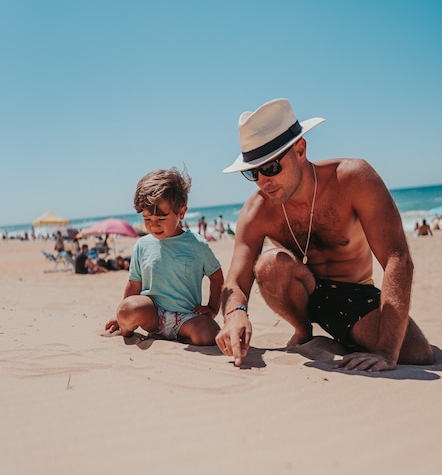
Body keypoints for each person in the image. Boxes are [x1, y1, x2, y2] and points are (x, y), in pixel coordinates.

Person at [215, 97, 433, 371]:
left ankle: (346, 335)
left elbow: (397, 258)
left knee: (416, 353)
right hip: (302, 294)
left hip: (354, 294)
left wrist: (386, 352)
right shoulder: (257, 211)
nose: (262, 181)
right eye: (252, 173)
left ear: (301, 150)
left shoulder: (353, 179)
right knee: (270, 264)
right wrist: (235, 315)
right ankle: (304, 331)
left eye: (270, 167)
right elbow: (235, 280)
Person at [105, 168, 224, 345]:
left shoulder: (197, 245)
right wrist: (122, 318)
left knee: (209, 333)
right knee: (127, 309)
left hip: (187, 318)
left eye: (161, 219)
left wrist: (213, 308)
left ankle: (181, 336)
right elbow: (133, 284)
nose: (154, 225)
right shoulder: (142, 245)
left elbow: (216, 277)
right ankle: (130, 327)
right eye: (147, 219)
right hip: (153, 316)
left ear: (181, 212)